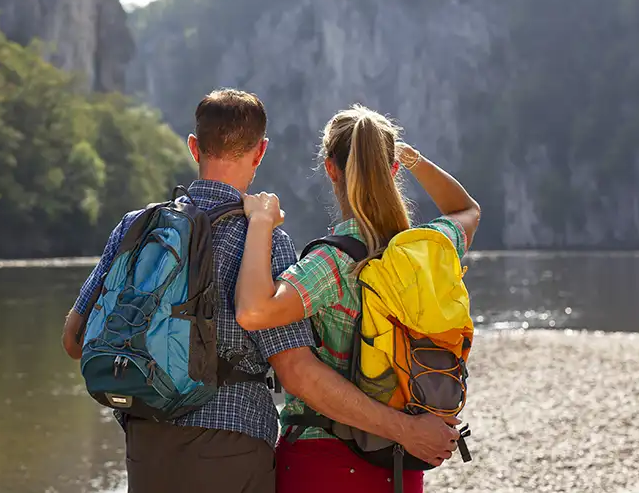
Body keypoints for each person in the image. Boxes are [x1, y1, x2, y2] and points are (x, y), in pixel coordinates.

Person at [61, 91, 461, 493]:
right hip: (233, 442)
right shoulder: (264, 241)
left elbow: (75, 339)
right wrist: (405, 429)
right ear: (260, 152)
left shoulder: (137, 226)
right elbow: (297, 371)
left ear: (194, 146)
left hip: (146, 440)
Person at [234, 104, 481, 493]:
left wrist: (261, 222)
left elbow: (253, 311)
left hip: (323, 462)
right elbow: (466, 209)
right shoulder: (426, 250)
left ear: (331, 169)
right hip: (402, 461)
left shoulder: (331, 262)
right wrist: (412, 159)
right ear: (393, 169)